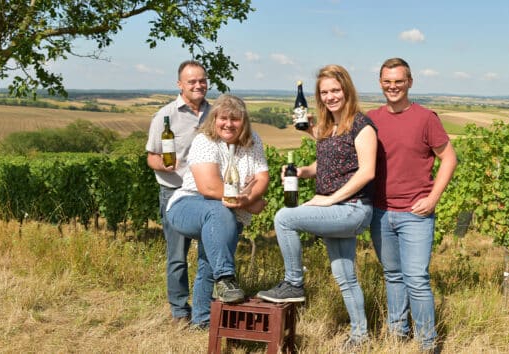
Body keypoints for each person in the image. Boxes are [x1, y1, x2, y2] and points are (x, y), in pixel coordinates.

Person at [256, 64, 377, 349]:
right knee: (345, 277)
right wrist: (301, 172)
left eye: (335, 90)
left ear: (347, 89)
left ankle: (293, 282)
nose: (330, 96)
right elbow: (325, 166)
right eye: (324, 92)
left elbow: (367, 172)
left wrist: (330, 199)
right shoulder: (330, 128)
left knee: (285, 217)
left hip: (353, 209)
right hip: (338, 210)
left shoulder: (362, 125)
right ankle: (361, 337)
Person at [366, 58, 457, 352]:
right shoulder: (370, 119)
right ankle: (397, 335)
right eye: (387, 81)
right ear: (380, 83)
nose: (393, 87)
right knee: (392, 276)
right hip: (380, 212)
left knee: (416, 279)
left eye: (398, 81)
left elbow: (449, 158)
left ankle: (427, 342)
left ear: (410, 82)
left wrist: (433, 198)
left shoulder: (426, 118)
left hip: (416, 215)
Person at [166, 93, 269, 328]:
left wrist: (247, 198)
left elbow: (262, 177)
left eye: (235, 119)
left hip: (230, 214)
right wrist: (250, 202)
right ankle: (226, 278)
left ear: (244, 121)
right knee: (218, 211)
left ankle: (201, 320)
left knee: (208, 261)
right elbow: (209, 187)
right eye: (224, 118)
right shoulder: (205, 141)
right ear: (215, 119)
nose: (229, 124)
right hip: (188, 205)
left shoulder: (253, 140)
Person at [145, 60, 211, 324]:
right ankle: (180, 311)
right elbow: (151, 156)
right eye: (192, 81)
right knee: (177, 256)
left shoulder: (216, 115)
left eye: (202, 80)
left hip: (208, 194)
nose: (198, 85)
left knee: (210, 254)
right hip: (174, 192)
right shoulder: (165, 116)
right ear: (180, 84)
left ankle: (205, 307)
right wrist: (163, 164)